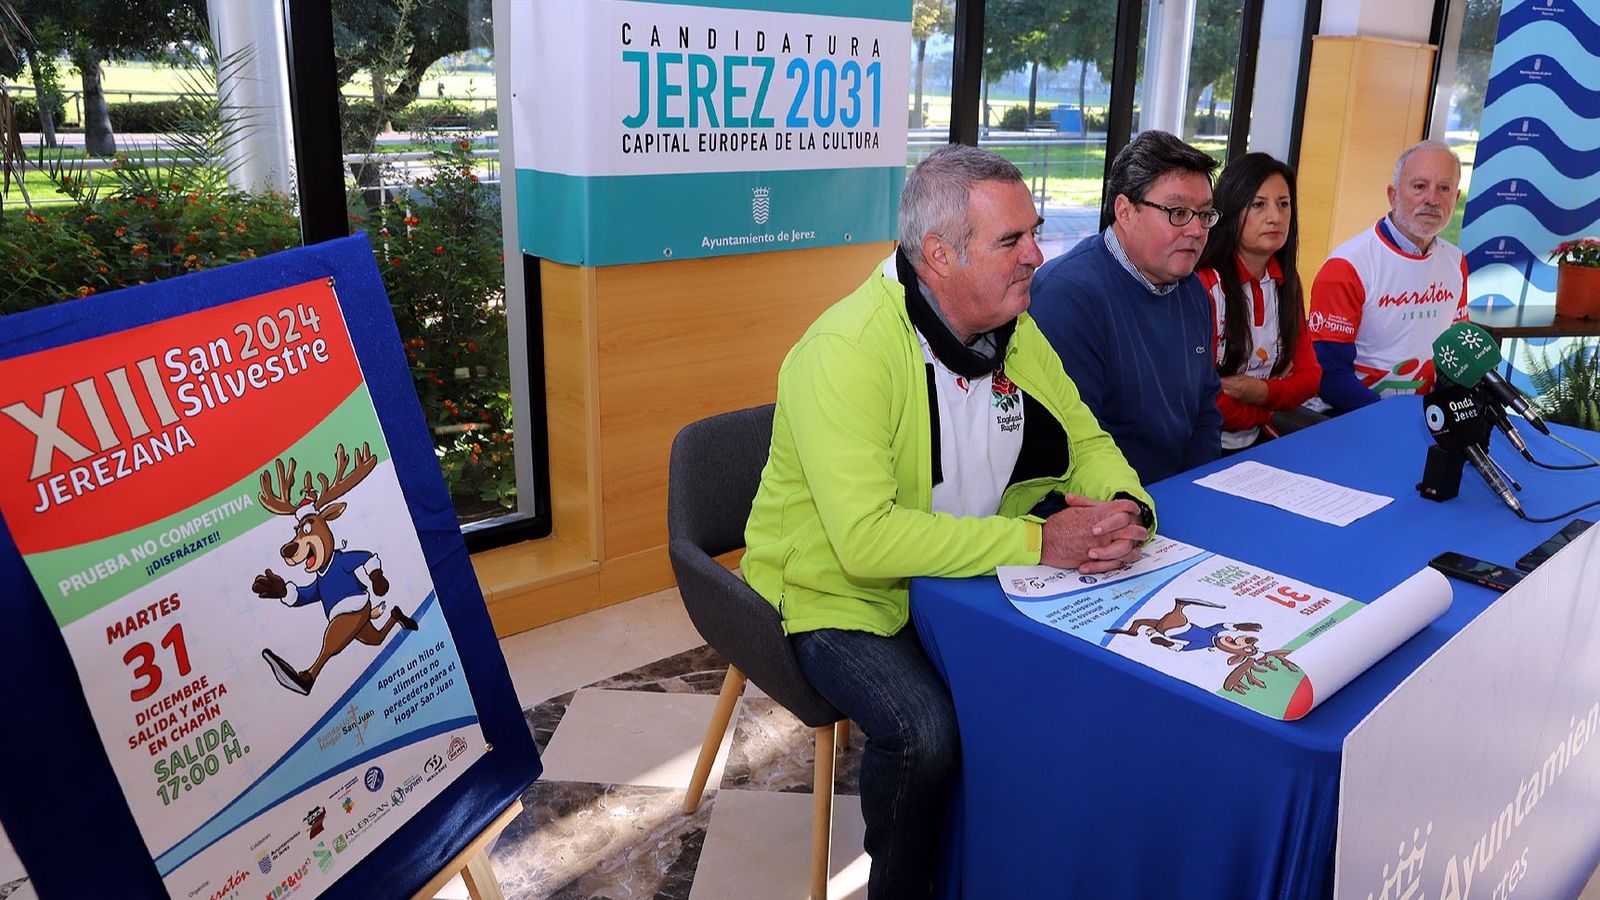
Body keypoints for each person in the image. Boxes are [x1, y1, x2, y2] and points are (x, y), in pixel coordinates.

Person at [740, 145, 1154, 899]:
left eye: (1034, 233)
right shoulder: (846, 351)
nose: (1037, 255)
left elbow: (1086, 440)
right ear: (938, 255)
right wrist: (1039, 541)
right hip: (835, 595)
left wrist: (1126, 503)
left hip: (958, 573)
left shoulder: (1012, 328)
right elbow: (866, 543)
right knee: (925, 732)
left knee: (1052, 689)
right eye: (1011, 240)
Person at [1030, 130, 1223, 484]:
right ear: (1125, 211)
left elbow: (1205, 410)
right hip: (1109, 500)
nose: (1197, 230)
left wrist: (1198, 488)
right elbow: (1076, 444)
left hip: (1181, 490)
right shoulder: (1067, 297)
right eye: (1179, 212)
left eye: (1205, 214)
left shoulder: (1192, 290)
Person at [1308, 139, 1468, 412]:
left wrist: (1437, 410)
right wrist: (1391, 418)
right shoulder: (1346, 266)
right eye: (1419, 186)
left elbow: (1455, 356)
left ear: (1456, 198)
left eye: (1444, 188)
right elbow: (1329, 374)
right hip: (1347, 416)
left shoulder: (1456, 261)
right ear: (1393, 195)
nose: (1432, 199)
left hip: (1423, 414)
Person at [1194, 152, 1321, 451]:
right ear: (1231, 209)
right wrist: (1270, 407)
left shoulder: (1287, 282)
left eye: (1283, 204)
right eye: (1258, 204)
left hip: (1257, 439)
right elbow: (1205, 398)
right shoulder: (1204, 284)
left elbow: (1310, 378)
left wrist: (1260, 391)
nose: (1275, 217)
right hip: (1200, 445)